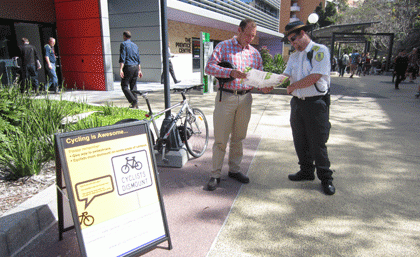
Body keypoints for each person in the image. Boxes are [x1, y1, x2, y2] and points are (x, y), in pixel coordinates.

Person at [204, 18, 265, 191]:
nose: (250, 39)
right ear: (239, 30)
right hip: (227, 97)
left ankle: (234, 170)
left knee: (239, 137)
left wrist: (265, 85)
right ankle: (215, 174)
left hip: (246, 98)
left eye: (253, 36)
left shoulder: (255, 53)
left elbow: (259, 76)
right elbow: (209, 68)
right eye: (247, 35)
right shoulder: (223, 47)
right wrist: (230, 72)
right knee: (221, 139)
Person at [281, 20, 335, 195]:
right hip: (297, 103)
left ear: (303, 33)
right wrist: (267, 83)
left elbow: (314, 77)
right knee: (300, 140)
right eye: (290, 40)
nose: (293, 42)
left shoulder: (320, 51)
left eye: (294, 38)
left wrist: (292, 86)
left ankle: (326, 178)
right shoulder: (295, 56)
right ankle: (306, 172)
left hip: (315, 103)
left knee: (317, 143)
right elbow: (285, 75)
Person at [119, 31, 143, 108]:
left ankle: (133, 101)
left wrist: (121, 69)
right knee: (133, 87)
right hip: (136, 67)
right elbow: (138, 58)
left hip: (128, 67)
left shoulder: (123, 44)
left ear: (124, 36)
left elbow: (123, 57)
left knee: (124, 86)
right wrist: (139, 70)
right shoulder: (135, 45)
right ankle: (136, 105)